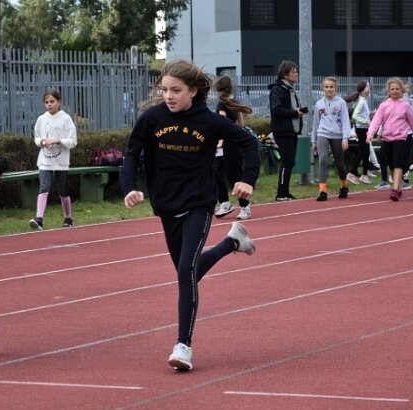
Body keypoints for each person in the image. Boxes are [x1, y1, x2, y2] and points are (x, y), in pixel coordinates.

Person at [120, 60, 261, 371]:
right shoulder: (152, 118)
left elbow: (250, 143)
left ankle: (183, 346)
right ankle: (231, 243)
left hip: (199, 203)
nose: (168, 96)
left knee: (185, 271)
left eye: (176, 90)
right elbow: (131, 153)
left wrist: (248, 180)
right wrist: (129, 187)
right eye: (165, 89)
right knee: (190, 273)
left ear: (193, 91)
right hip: (167, 206)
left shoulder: (209, 122)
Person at [366, 77, 413, 201]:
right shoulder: (384, 105)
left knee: (397, 164)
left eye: (397, 89)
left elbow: (412, 123)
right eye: (392, 89)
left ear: (401, 90)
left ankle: (395, 189)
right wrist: (370, 134)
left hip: (400, 138)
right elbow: (376, 120)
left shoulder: (405, 105)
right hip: (387, 139)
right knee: (391, 165)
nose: (395, 91)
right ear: (388, 91)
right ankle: (398, 186)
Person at [30, 88, 78, 230]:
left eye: (52, 101)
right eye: (47, 102)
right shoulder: (41, 119)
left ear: (59, 102)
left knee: (63, 190)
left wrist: (58, 141)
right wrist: (42, 142)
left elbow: (73, 141)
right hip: (45, 161)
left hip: (61, 162)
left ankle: (68, 218)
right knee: (44, 187)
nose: (49, 104)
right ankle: (39, 219)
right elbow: (37, 137)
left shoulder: (66, 119)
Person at [213, 75, 255, 220]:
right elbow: (240, 125)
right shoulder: (235, 104)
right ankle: (227, 203)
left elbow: (222, 123)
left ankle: (242, 206)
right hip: (234, 142)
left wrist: (220, 140)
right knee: (229, 174)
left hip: (225, 143)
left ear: (218, 90)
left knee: (222, 173)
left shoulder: (221, 105)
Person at [268, 60, 305, 201]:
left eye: (296, 71)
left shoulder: (290, 89)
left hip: (292, 131)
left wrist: (298, 112)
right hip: (282, 131)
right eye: (293, 71)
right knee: (287, 160)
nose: (296, 73)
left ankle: (285, 192)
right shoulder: (277, 89)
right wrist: (295, 113)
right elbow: (276, 109)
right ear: (285, 74)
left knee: (290, 161)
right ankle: (281, 193)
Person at [311, 77, 351, 201]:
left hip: (337, 135)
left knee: (339, 163)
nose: (329, 89)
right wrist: (314, 141)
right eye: (326, 87)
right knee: (323, 160)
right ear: (323, 88)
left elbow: (345, 122)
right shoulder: (319, 104)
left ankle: (343, 186)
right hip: (323, 133)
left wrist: (345, 138)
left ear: (335, 88)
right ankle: (322, 190)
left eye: (331, 87)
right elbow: (315, 123)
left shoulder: (341, 103)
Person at [345, 80, 378, 185]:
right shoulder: (362, 101)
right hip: (361, 129)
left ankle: (364, 175)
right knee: (362, 152)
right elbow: (355, 115)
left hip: (364, 128)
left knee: (366, 152)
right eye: (368, 87)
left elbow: (362, 114)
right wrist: (366, 121)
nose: (369, 89)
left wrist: (372, 114)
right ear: (363, 90)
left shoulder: (363, 100)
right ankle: (351, 173)